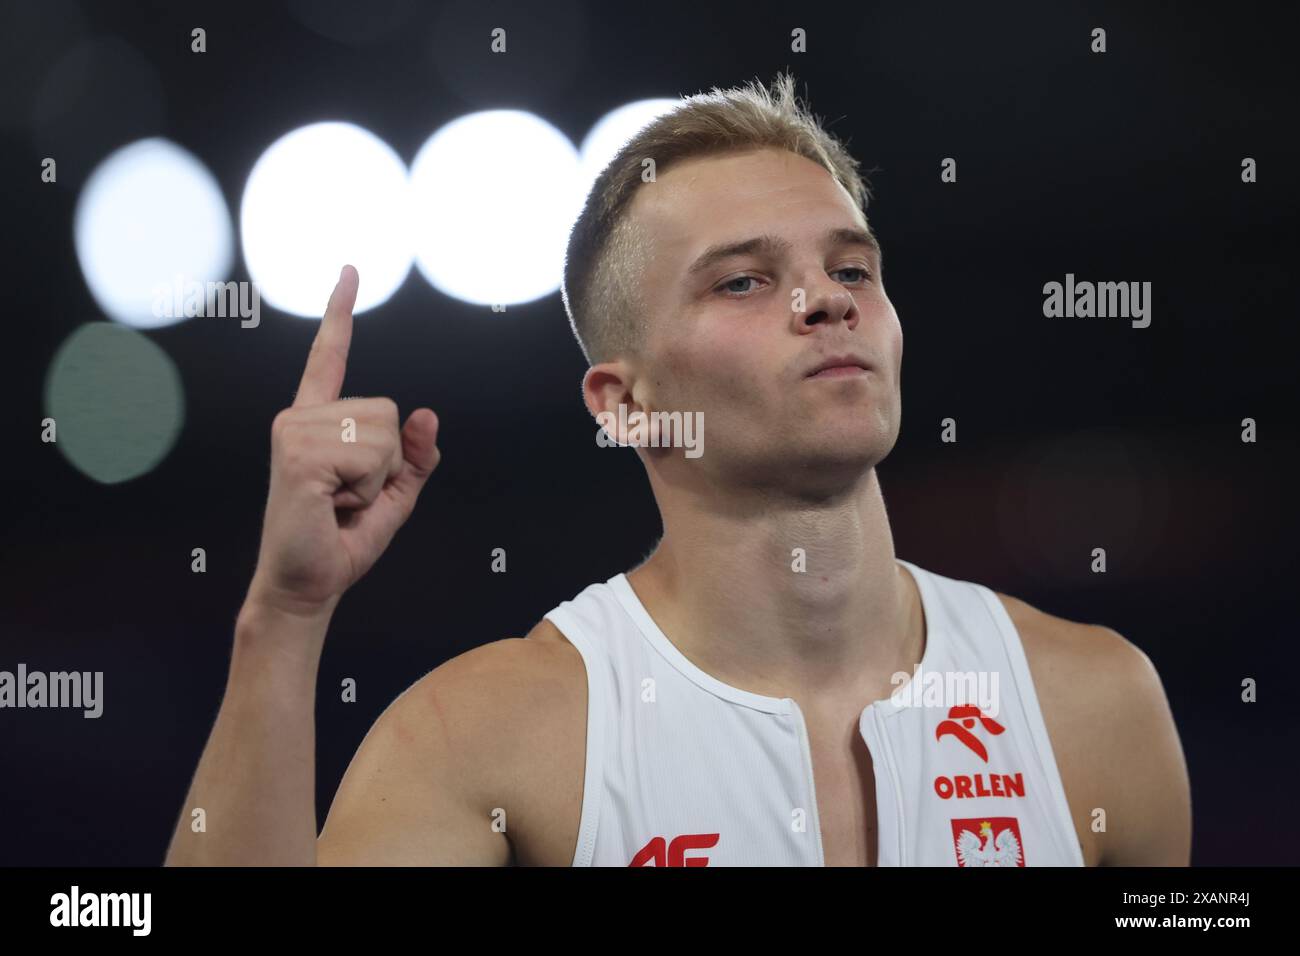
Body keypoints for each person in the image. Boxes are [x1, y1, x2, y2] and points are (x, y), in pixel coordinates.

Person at [165, 72, 1190, 867]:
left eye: (850, 268)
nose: (825, 302)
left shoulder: (1093, 701)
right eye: (745, 280)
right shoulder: (486, 739)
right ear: (622, 403)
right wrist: (286, 621)